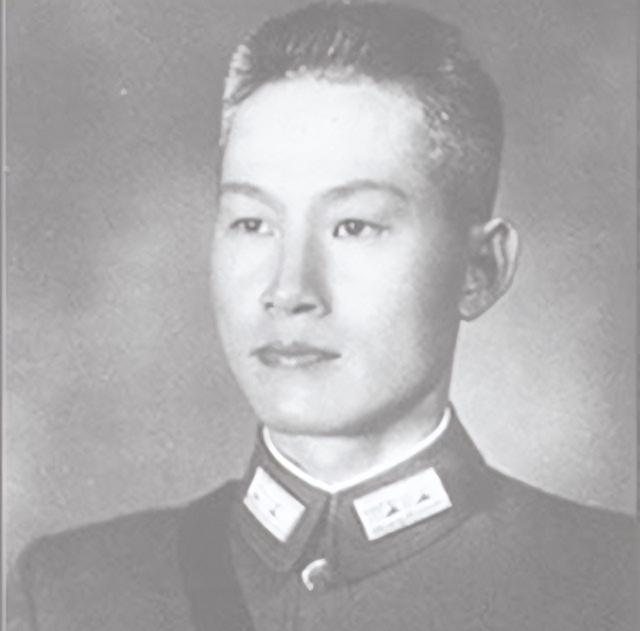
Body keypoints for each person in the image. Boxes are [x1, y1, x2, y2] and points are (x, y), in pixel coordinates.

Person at [8, 3, 636, 630]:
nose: (289, 290)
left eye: (353, 226)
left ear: (481, 269)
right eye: (252, 223)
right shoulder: (73, 594)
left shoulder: (615, 584)